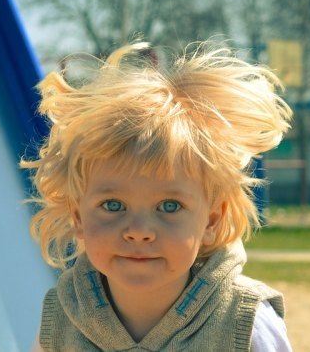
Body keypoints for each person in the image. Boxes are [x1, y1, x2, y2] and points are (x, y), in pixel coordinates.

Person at [22, 41, 294, 351]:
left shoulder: (244, 323)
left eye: (169, 206)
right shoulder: (62, 319)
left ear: (211, 220)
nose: (139, 231)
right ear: (78, 216)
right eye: (113, 205)